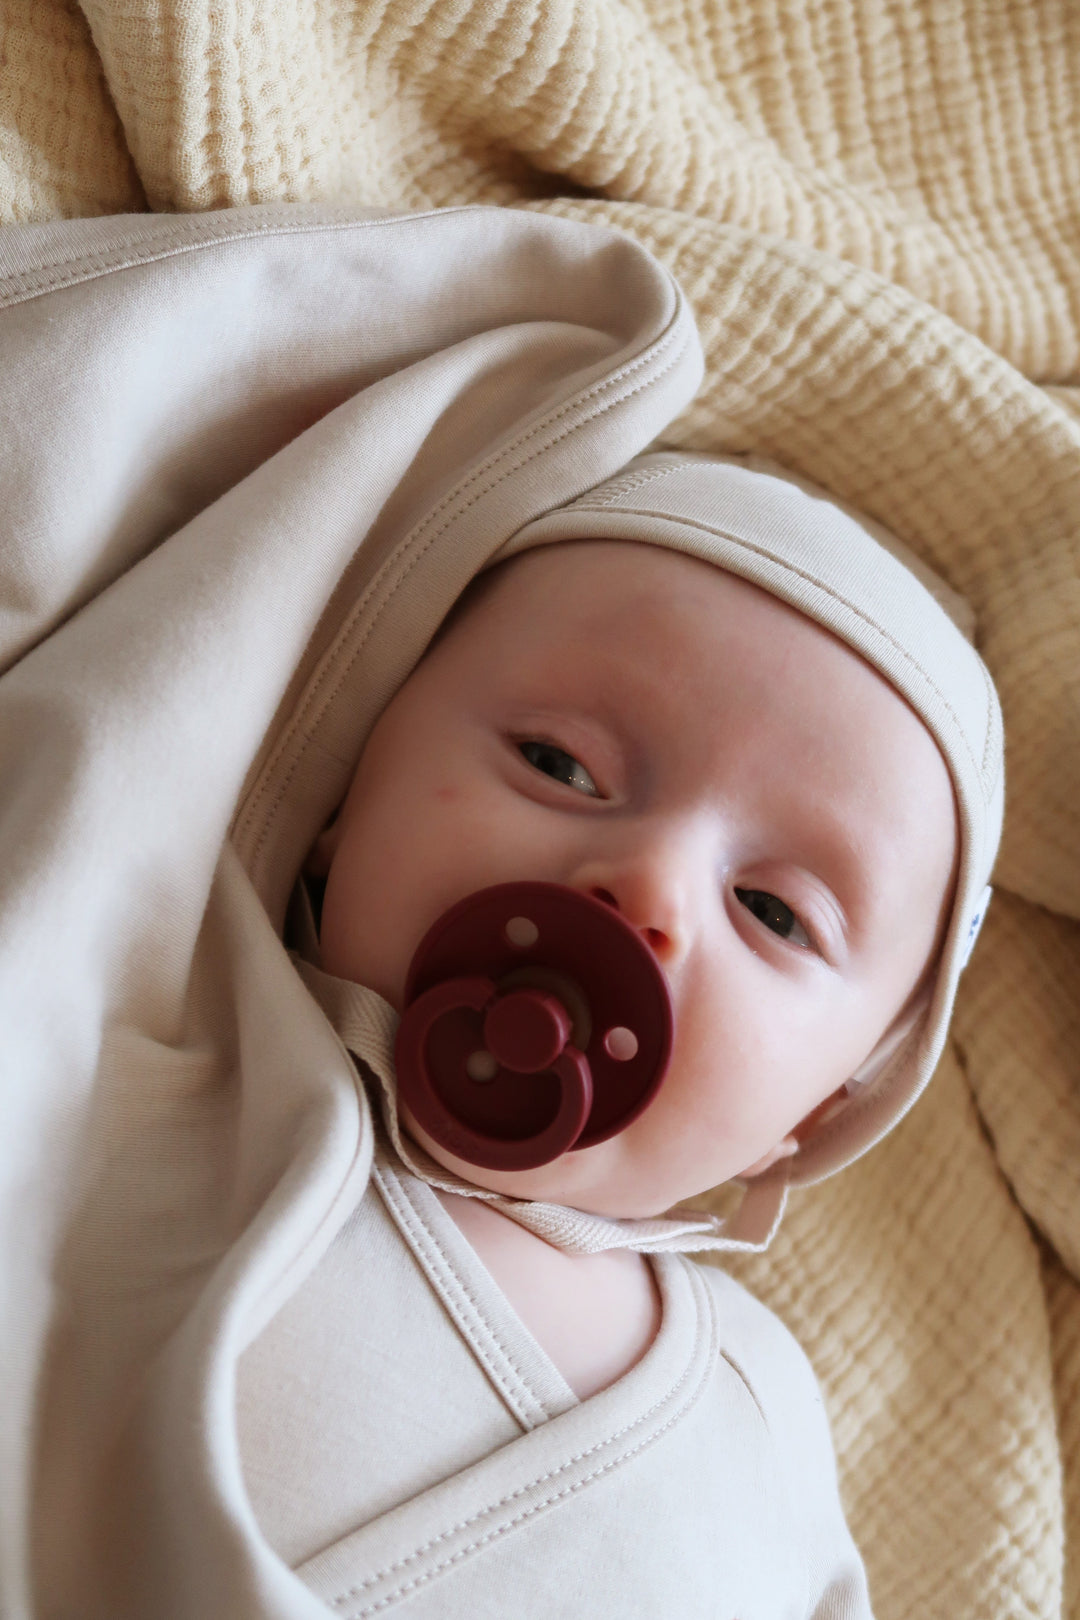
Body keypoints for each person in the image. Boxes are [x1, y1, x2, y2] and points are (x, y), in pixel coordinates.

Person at [235, 450, 1002, 1619]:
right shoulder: (165, 1015)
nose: (650, 886)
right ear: (341, 796)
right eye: (560, 764)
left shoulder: (755, 1419)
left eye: (775, 911)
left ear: (821, 1108)